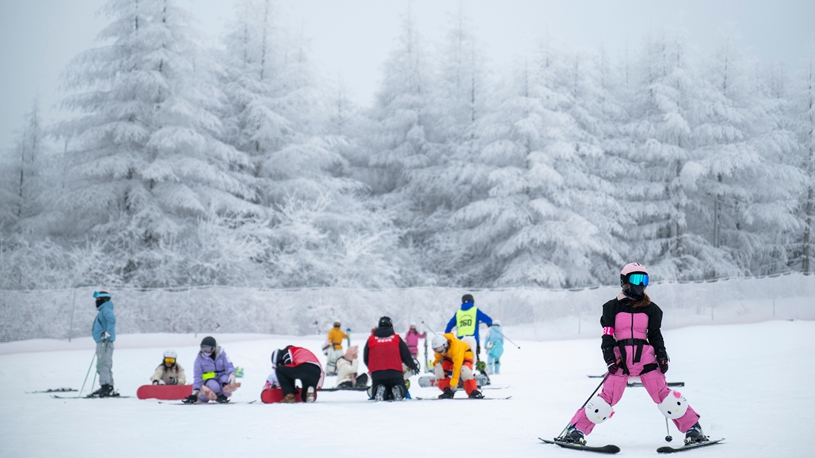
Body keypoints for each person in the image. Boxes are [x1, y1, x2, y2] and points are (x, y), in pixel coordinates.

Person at [559, 263, 707, 446]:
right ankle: (575, 430)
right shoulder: (612, 307)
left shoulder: (651, 309)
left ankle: (694, 429)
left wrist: (661, 356)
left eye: (644, 280)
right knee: (606, 398)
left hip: (645, 359)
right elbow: (607, 335)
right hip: (620, 360)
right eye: (636, 279)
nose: (641, 284)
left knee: (664, 396)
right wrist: (609, 358)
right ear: (625, 281)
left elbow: (655, 335)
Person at [363, 316, 419, 401]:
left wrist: (372, 369)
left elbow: (366, 358)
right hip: (395, 373)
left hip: (377, 374)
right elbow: (406, 355)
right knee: (401, 387)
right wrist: (413, 366)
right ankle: (398, 388)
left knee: (378, 389)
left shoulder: (371, 339)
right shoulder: (396, 338)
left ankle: (379, 388)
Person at [184, 336, 238, 404]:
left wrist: (232, 373)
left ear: (214, 348)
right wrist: (195, 391)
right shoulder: (199, 359)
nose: (205, 351)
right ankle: (202, 397)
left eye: (208, 349)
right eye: (203, 348)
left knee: (227, 380)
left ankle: (222, 396)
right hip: (208, 380)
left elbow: (229, 365)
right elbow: (197, 376)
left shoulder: (221, 354)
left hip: (221, 377)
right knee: (215, 386)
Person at [429, 333, 484, 399]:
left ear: (445, 344)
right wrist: (435, 366)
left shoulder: (456, 347)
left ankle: (472, 391)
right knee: (439, 369)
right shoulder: (440, 351)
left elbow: (457, 366)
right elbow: (437, 359)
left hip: (465, 357)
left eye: (439, 348)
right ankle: (447, 390)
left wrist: (454, 382)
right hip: (451, 358)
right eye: (435, 349)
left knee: (464, 370)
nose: (439, 351)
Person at [445, 294, 493, 361]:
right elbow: (487, 319)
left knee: (461, 358)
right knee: (475, 357)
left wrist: (447, 335)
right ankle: (478, 365)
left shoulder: (458, 313)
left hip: (461, 340)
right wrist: (489, 323)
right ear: (472, 301)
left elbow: (449, 325)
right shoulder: (475, 310)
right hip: (473, 339)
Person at [89, 291, 117, 397]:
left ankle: (105, 387)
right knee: (104, 364)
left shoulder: (106, 309)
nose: (96, 302)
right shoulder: (104, 310)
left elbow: (112, 320)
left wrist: (107, 333)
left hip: (105, 342)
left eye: (98, 299)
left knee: (103, 364)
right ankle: (108, 386)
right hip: (103, 342)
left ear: (104, 300)